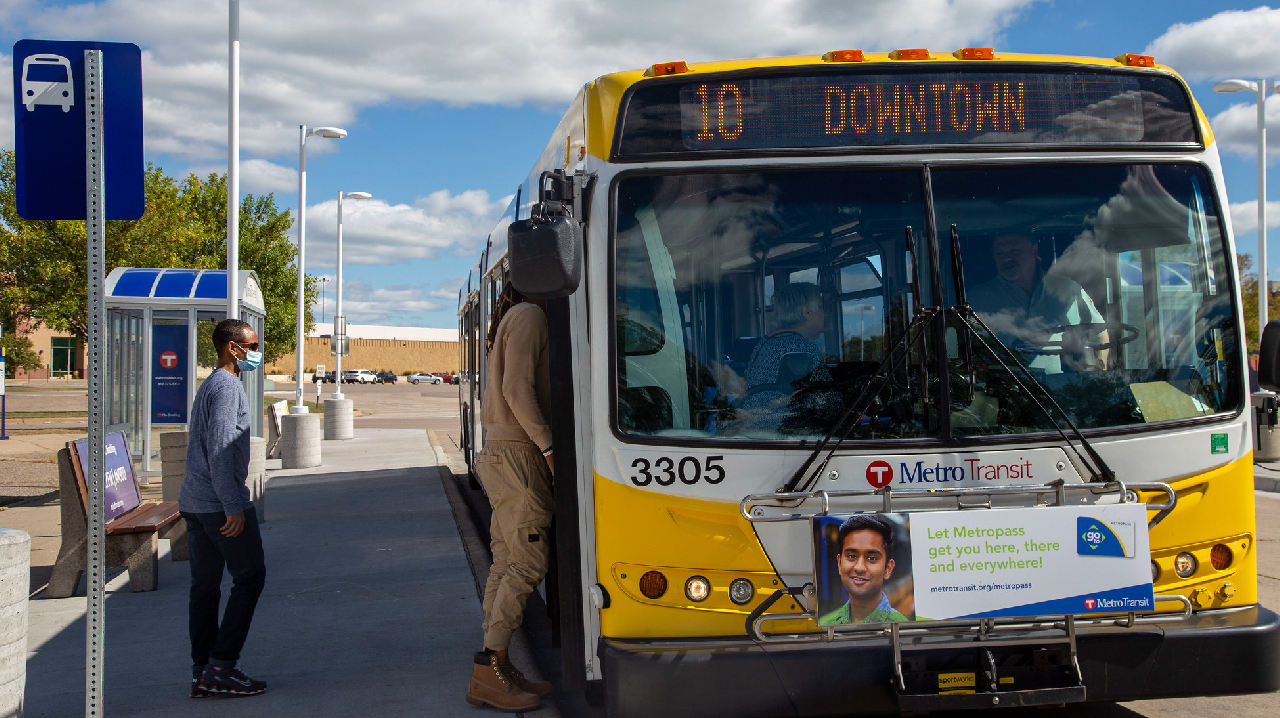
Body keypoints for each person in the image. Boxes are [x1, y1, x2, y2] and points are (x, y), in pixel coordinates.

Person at [465, 283, 555, 712]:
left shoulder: (512, 316)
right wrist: (549, 447)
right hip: (520, 453)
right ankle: (489, 669)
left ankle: (498, 664)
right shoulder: (532, 316)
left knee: (506, 561)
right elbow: (518, 390)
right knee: (527, 560)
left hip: (502, 453)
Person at [179, 318, 268, 697]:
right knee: (250, 578)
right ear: (233, 348)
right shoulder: (228, 387)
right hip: (220, 505)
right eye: (251, 346)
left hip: (196, 503)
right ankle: (221, 667)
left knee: (205, 587)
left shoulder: (211, 384)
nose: (255, 352)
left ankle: (203, 670)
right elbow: (219, 449)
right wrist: (233, 506)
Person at [966, 233, 1106, 374]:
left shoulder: (1067, 289)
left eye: (1014, 251)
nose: (1007, 258)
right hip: (1003, 391)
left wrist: (1102, 374)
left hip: (1062, 392)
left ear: (1034, 251)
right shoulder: (977, 299)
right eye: (1000, 253)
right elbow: (962, 350)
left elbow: (1100, 332)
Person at [737, 282, 840, 434]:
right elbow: (829, 405)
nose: (824, 313)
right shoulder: (805, 350)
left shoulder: (763, 344)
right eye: (820, 306)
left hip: (753, 430)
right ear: (807, 312)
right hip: (787, 432)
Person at [819, 514, 909, 625]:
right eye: (852, 556)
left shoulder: (903, 628)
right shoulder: (825, 624)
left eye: (871, 558)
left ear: (888, 569)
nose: (859, 567)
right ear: (839, 564)